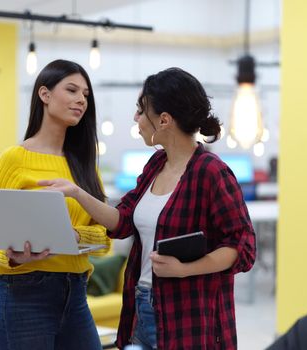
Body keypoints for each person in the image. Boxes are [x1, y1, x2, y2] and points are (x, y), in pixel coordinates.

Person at [39, 67, 256, 349]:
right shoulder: (156, 165)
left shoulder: (212, 173)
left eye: (141, 111)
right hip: (141, 308)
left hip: (188, 318)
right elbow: (123, 220)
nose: (136, 118)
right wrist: (76, 193)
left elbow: (242, 247)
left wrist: (184, 270)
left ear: (164, 120)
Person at [0, 59, 111, 350]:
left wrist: (75, 236)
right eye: (72, 90)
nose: (81, 99)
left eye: (86, 95)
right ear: (45, 94)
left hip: (77, 294)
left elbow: (106, 238)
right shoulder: (13, 160)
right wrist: (14, 257)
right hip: (23, 296)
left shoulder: (85, 165)